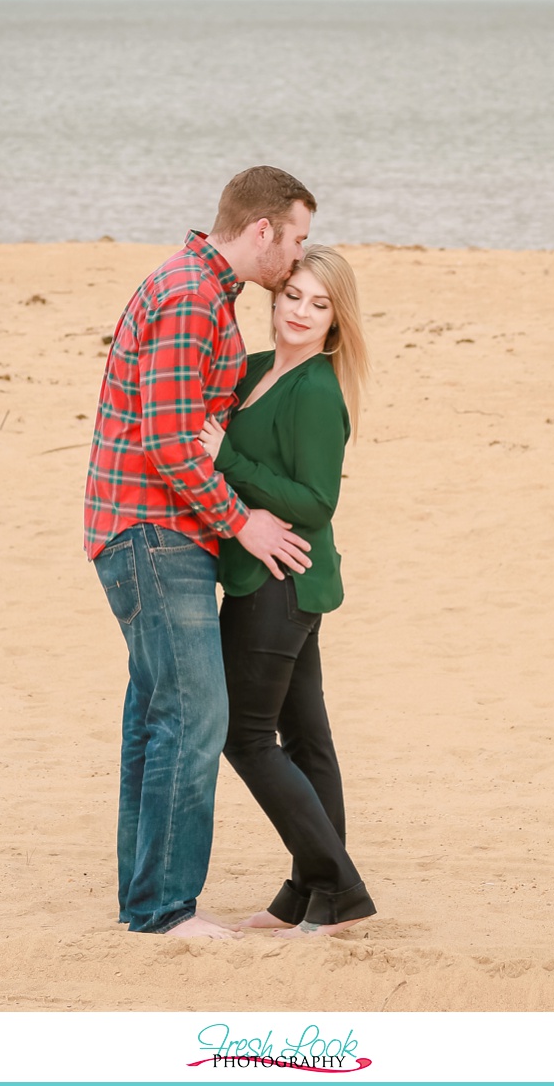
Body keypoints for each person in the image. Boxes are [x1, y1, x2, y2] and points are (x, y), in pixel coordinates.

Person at [84, 166, 317, 940]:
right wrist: (243, 522)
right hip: (153, 529)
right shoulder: (190, 297)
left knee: (157, 717)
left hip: (153, 529)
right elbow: (171, 440)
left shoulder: (203, 291)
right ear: (262, 232)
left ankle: (145, 903)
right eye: (298, 239)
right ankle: (164, 910)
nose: (298, 256)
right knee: (194, 715)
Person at [199, 243, 377, 937]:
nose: (300, 311)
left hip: (283, 579)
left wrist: (228, 459)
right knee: (305, 740)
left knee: (246, 737)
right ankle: (311, 895)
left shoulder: (317, 389)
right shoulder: (253, 372)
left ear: (337, 318)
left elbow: (316, 500)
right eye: (293, 295)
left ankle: (340, 885)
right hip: (274, 579)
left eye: (318, 302)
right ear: (272, 298)